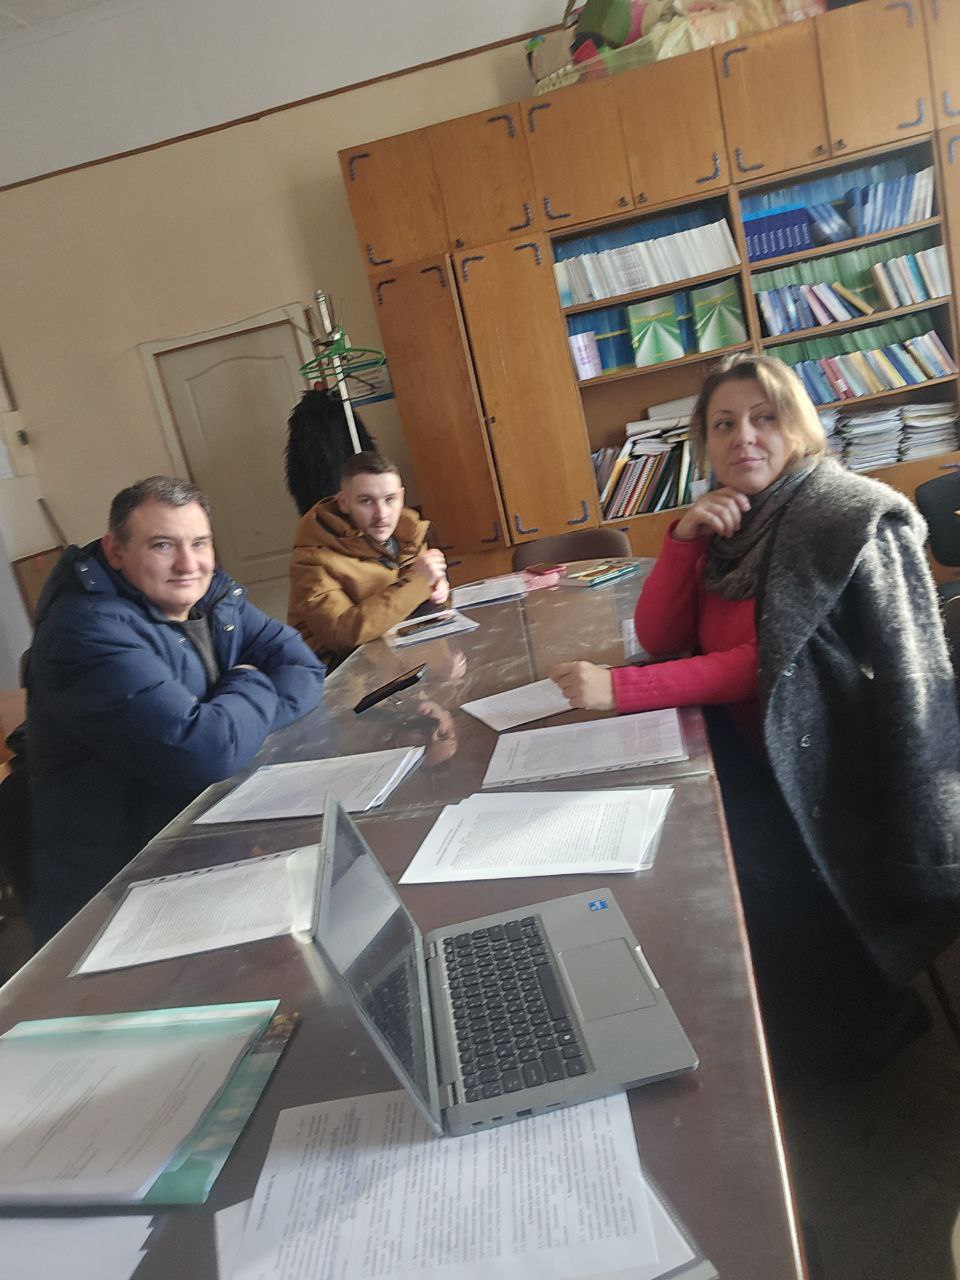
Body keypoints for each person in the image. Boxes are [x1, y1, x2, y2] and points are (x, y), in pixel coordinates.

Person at [551, 352, 960, 1074]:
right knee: (664, 828)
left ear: (797, 426)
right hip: (752, 745)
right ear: (706, 443)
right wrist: (683, 541)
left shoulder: (835, 514)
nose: (744, 436)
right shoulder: (732, 522)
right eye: (724, 424)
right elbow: (662, 636)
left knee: (725, 866)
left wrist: (620, 690)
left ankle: (858, 1032)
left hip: (830, 769)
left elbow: (772, 661)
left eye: (764, 417)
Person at [26, 475, 325, 945]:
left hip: (204, 846)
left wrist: (230, 726)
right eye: (162, 545)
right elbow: (204, 753)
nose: (189, 564)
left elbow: (304, 668)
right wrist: (248, 679)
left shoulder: (214, 597)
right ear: (116, 550)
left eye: (200, 543)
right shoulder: (85, 633)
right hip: (117, 896)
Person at [288, 451, 449, 666]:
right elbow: (342, 634)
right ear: (344, 503)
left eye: (390, 499)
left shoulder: (409, 533)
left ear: (401, 497)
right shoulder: (312, 559)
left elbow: (412, 600)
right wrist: (419, 582)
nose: (382, 514)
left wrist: (436, 591)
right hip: (340, 673)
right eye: (366, 501)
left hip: (401, 657)